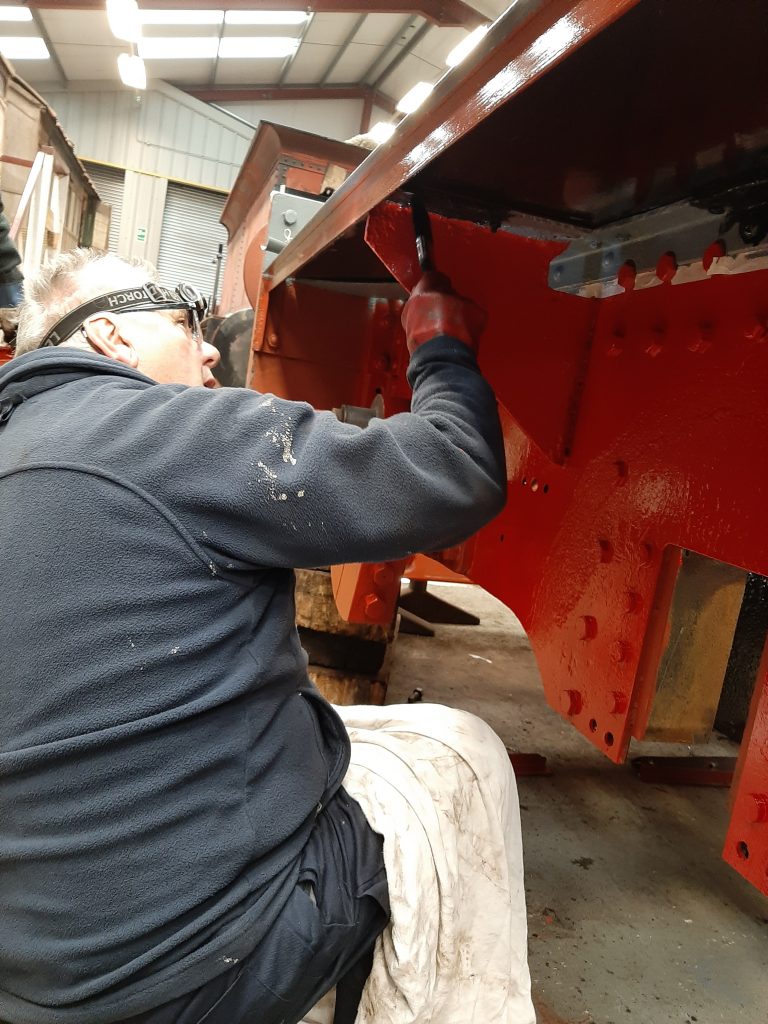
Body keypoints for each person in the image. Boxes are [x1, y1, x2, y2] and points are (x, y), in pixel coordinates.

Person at [0, 248, 534, 1024]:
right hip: (190, 973)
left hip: (28, 978)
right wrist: (440, 348)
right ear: (111, 338)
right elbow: (455, 468)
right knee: (459, 755)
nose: (211, 348)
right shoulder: (173, 430)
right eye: (186, 322)